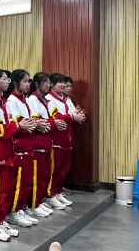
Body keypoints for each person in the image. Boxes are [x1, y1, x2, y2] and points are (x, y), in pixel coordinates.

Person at [0, 70, 34, 242]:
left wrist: (18, 125)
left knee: (7, 191)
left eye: (8, 79)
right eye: (3, 79)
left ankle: (1, 220)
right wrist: (18, 126)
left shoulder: (3, 102)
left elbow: (11, 124)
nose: (7, 82)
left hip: (7, 153)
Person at [5, 69, 39, 228]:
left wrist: (34, 123)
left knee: (26, 182)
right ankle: (14, 211)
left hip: (28, 146)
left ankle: (22, 208)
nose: (27, 84)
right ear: (15, 83)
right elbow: (17, 125)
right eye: (25, 81)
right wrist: (31, 124)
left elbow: (29, 122)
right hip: (19, 147)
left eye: (28, 81)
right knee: (18, 183)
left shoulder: (24, 100)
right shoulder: (12, 101)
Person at [45, 73, 85, 209]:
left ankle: (58, 191)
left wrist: (78, 116)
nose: (63, 85)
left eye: (64, 82)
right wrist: (72, 116)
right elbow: (56, 118)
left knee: (63, 170)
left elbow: (73, 115)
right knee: (55, 170)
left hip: (67, 140)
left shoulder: (66, 99)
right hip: (56, 140)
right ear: (52, 85)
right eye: (59, 83)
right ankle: (51, 195)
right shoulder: (49, 99)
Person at [27, 72, 60, 217]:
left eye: (48, 82)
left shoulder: (43, 100)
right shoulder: (33, 100)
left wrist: (50, 123)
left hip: (46, 142)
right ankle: (34, 203)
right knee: (38, 176)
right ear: (36, 84)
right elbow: (39, 124)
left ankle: (40, 200)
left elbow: (46, 122)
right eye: (45, 82)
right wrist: (53, 123)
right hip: (38, 143)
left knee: (46, 175)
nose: (48, 85)